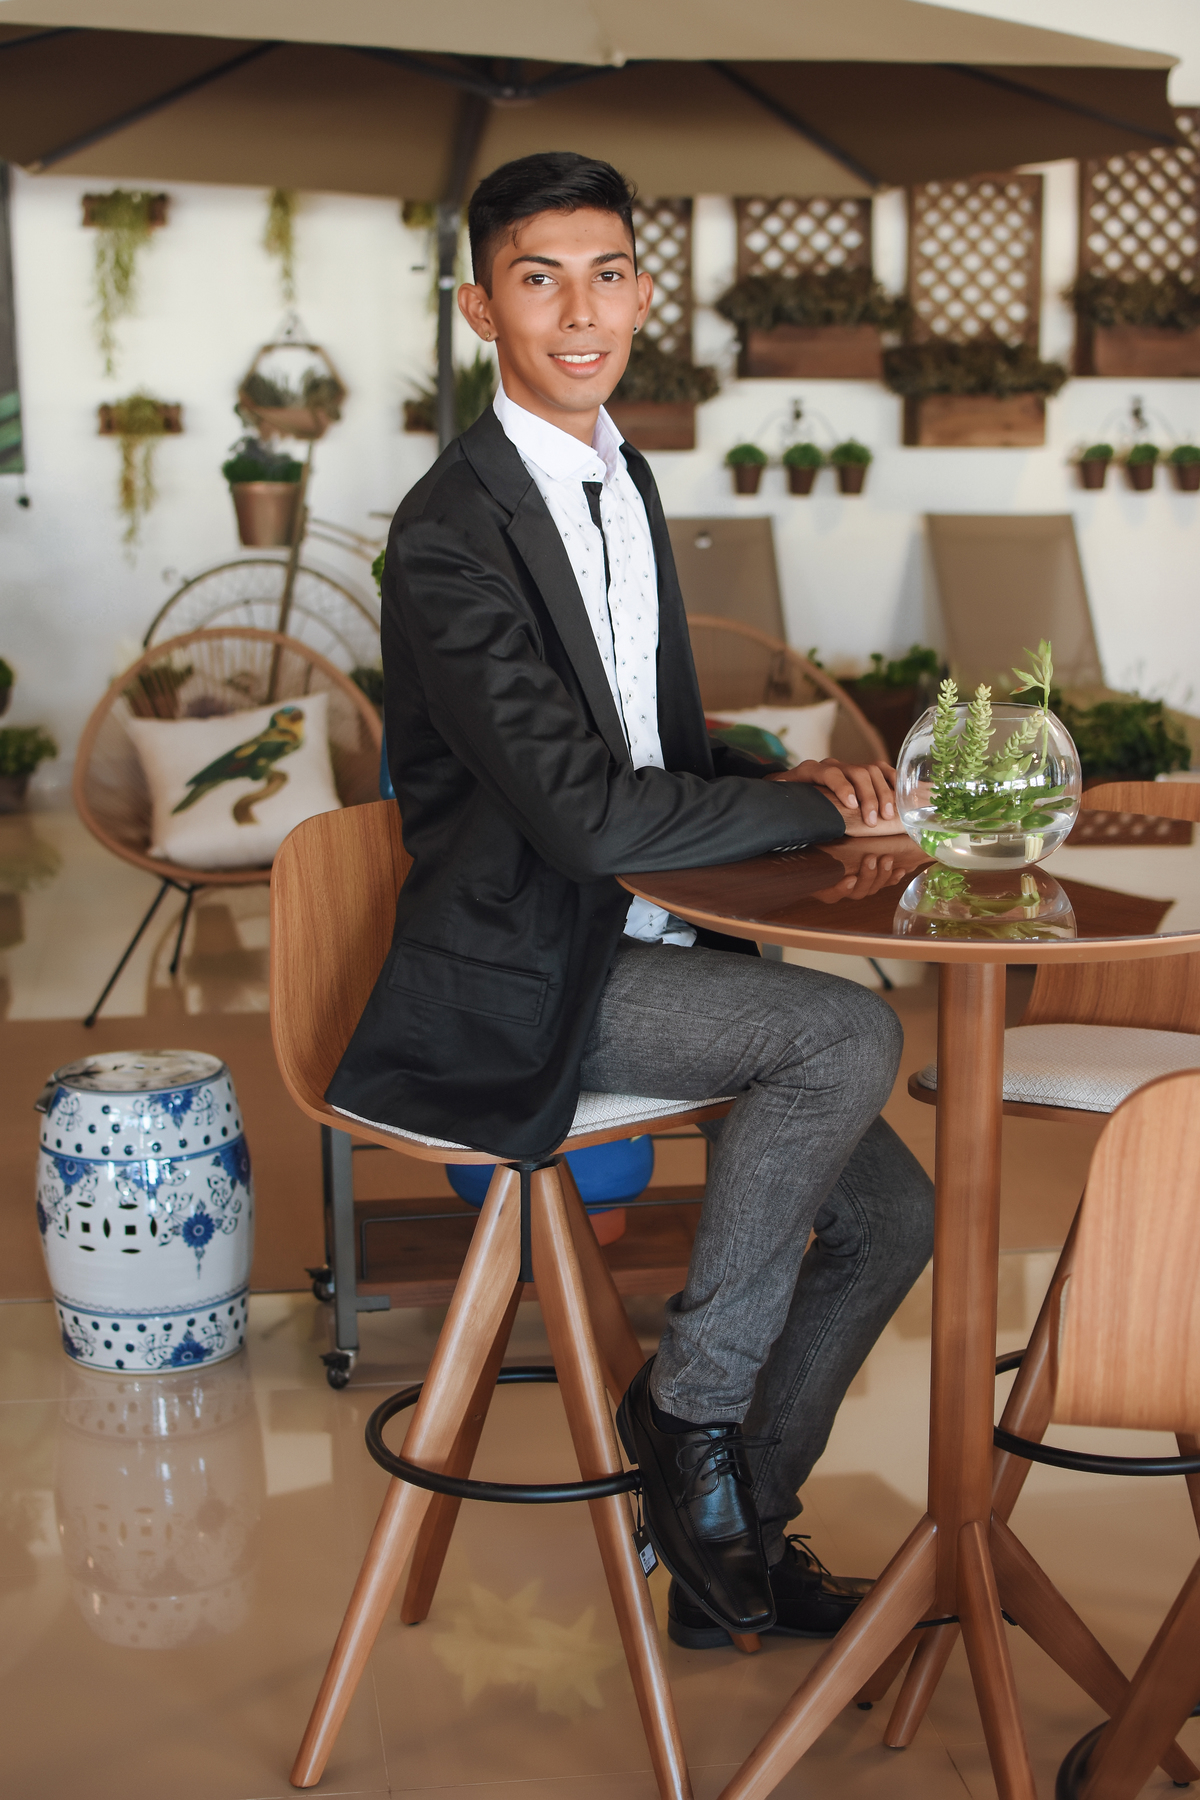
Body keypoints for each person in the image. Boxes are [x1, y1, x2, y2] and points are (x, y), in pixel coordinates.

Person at [329, 151, 934, 1648]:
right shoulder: (449, 530)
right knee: (842, 1037)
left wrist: (777, 770)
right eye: (538, 280)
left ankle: (731, 1546)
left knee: (892, 1216)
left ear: (645, 296)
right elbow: (585, 816)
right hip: (527, 967)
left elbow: (639, 742)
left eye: (606, 275)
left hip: (648, 935)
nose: (579, 311)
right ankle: (691, 1416)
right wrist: (805, 810)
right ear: (482, 309)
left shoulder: (620, 474)